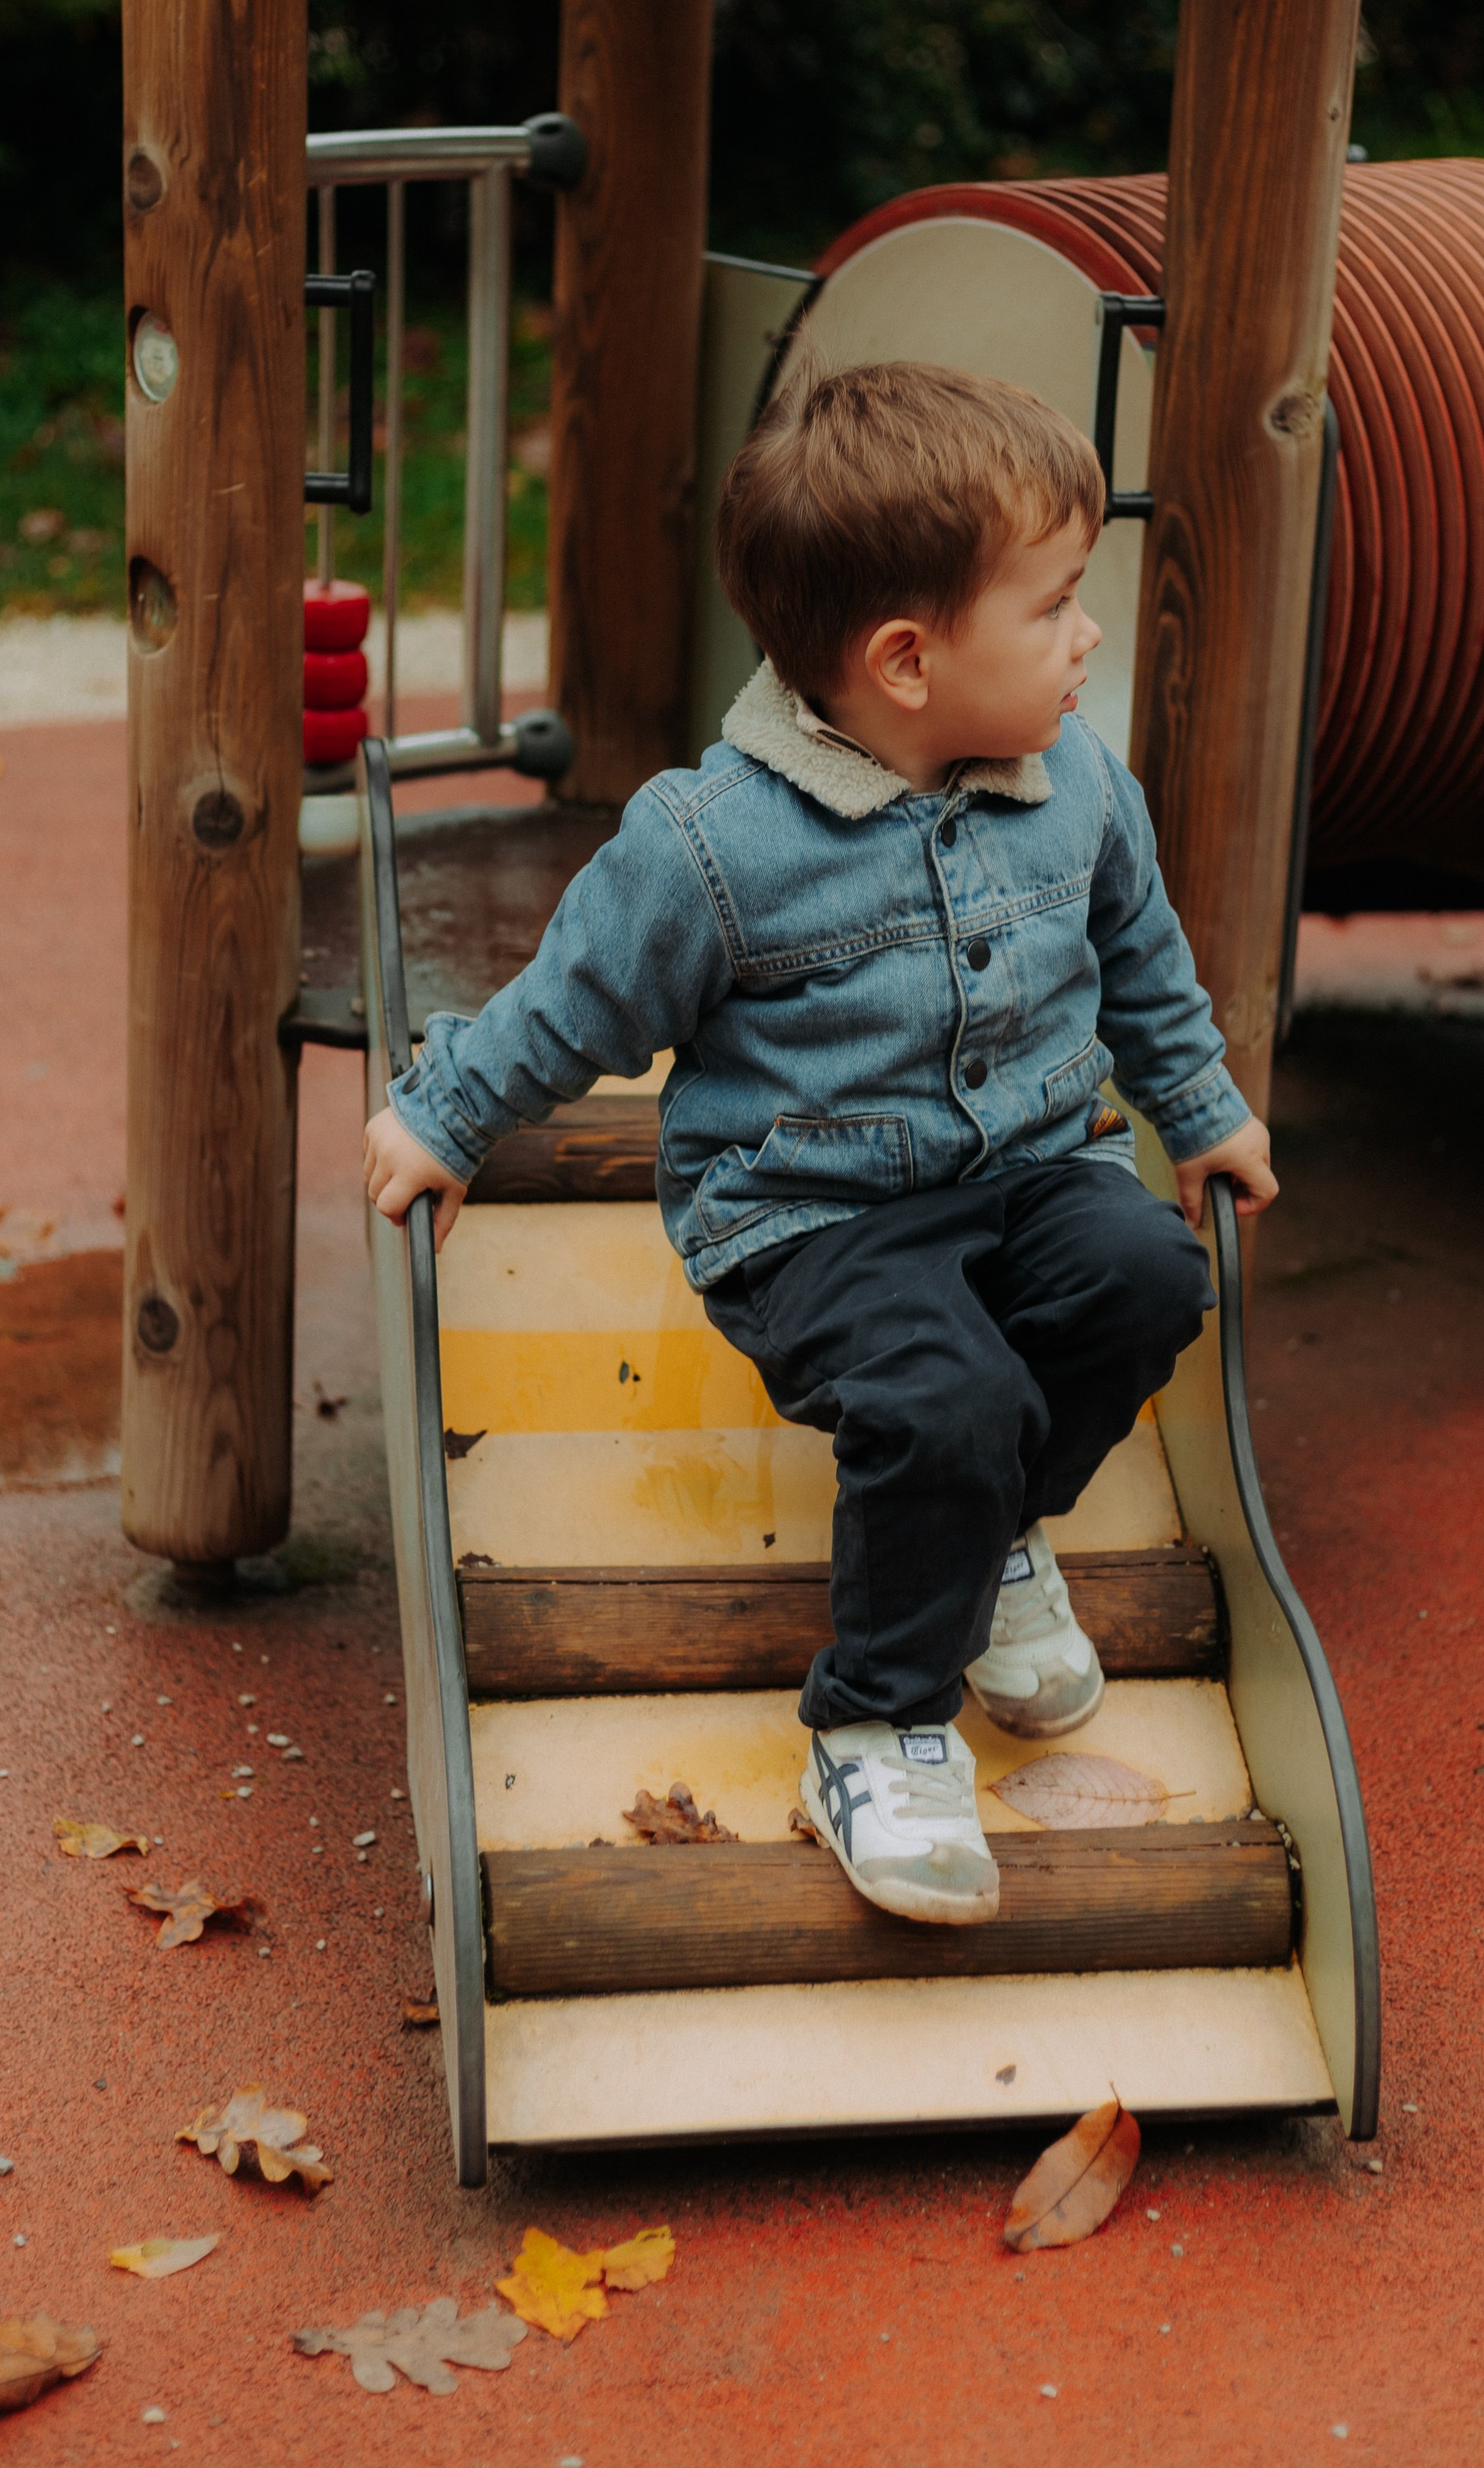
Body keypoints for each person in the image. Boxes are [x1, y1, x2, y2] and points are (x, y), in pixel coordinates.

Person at [364, 358, 1278, 1928]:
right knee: (943, 1395)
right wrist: (446, 1117)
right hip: (809, 1212)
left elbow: (1137, 947)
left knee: (1144, 1277)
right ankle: (875, 1721)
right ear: (909, 660)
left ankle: (987, 1539)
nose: (1090, 633)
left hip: (1034, 1167)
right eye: (1056, 603)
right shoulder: (712, 846)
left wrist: (1196, 1112)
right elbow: (576, 1000)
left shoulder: (1075, 781)